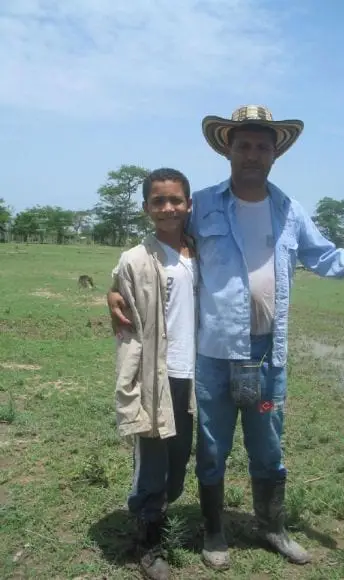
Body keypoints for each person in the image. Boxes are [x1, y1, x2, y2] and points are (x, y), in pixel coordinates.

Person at [108, 106, 344, 572]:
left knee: (268, 445)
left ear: (276, 154)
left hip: (267, 354)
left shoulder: (290, 210)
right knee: (212, 447)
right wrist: (115, 286)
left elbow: (330, 259)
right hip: (212, 355)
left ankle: (273, 526)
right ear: (227, 150)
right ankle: (214, 531)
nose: (252, 154)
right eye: (243, 145)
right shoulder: (203, 204)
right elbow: (162, 248)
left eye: (262, 146)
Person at [113, 168, 197, 580]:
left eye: (176, 200)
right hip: (156, 375)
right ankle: (148, 542)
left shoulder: (199, 252)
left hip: (195, 375)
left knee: (181, 457)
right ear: (146, 207)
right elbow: (122, 312)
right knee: (152, 460)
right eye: (158, 201)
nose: (168, 207)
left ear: (188, 204)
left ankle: (161, 512)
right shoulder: (134, 259)